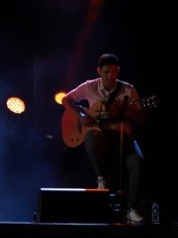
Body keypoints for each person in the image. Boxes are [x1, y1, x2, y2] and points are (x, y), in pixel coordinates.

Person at [61, 52, 146, 224]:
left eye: (114, 72)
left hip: (123, 138)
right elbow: (66, 99)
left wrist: (134, 113)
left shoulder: (128, 90)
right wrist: (80, 116)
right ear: (99, 71)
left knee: (137, 162)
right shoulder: (89, 86)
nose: (110, 76)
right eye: (106, 73)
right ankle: (101, 176)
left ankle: (131, 208)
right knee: (92, 137)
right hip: (101, 138)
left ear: (118, 71)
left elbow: (140, 116)